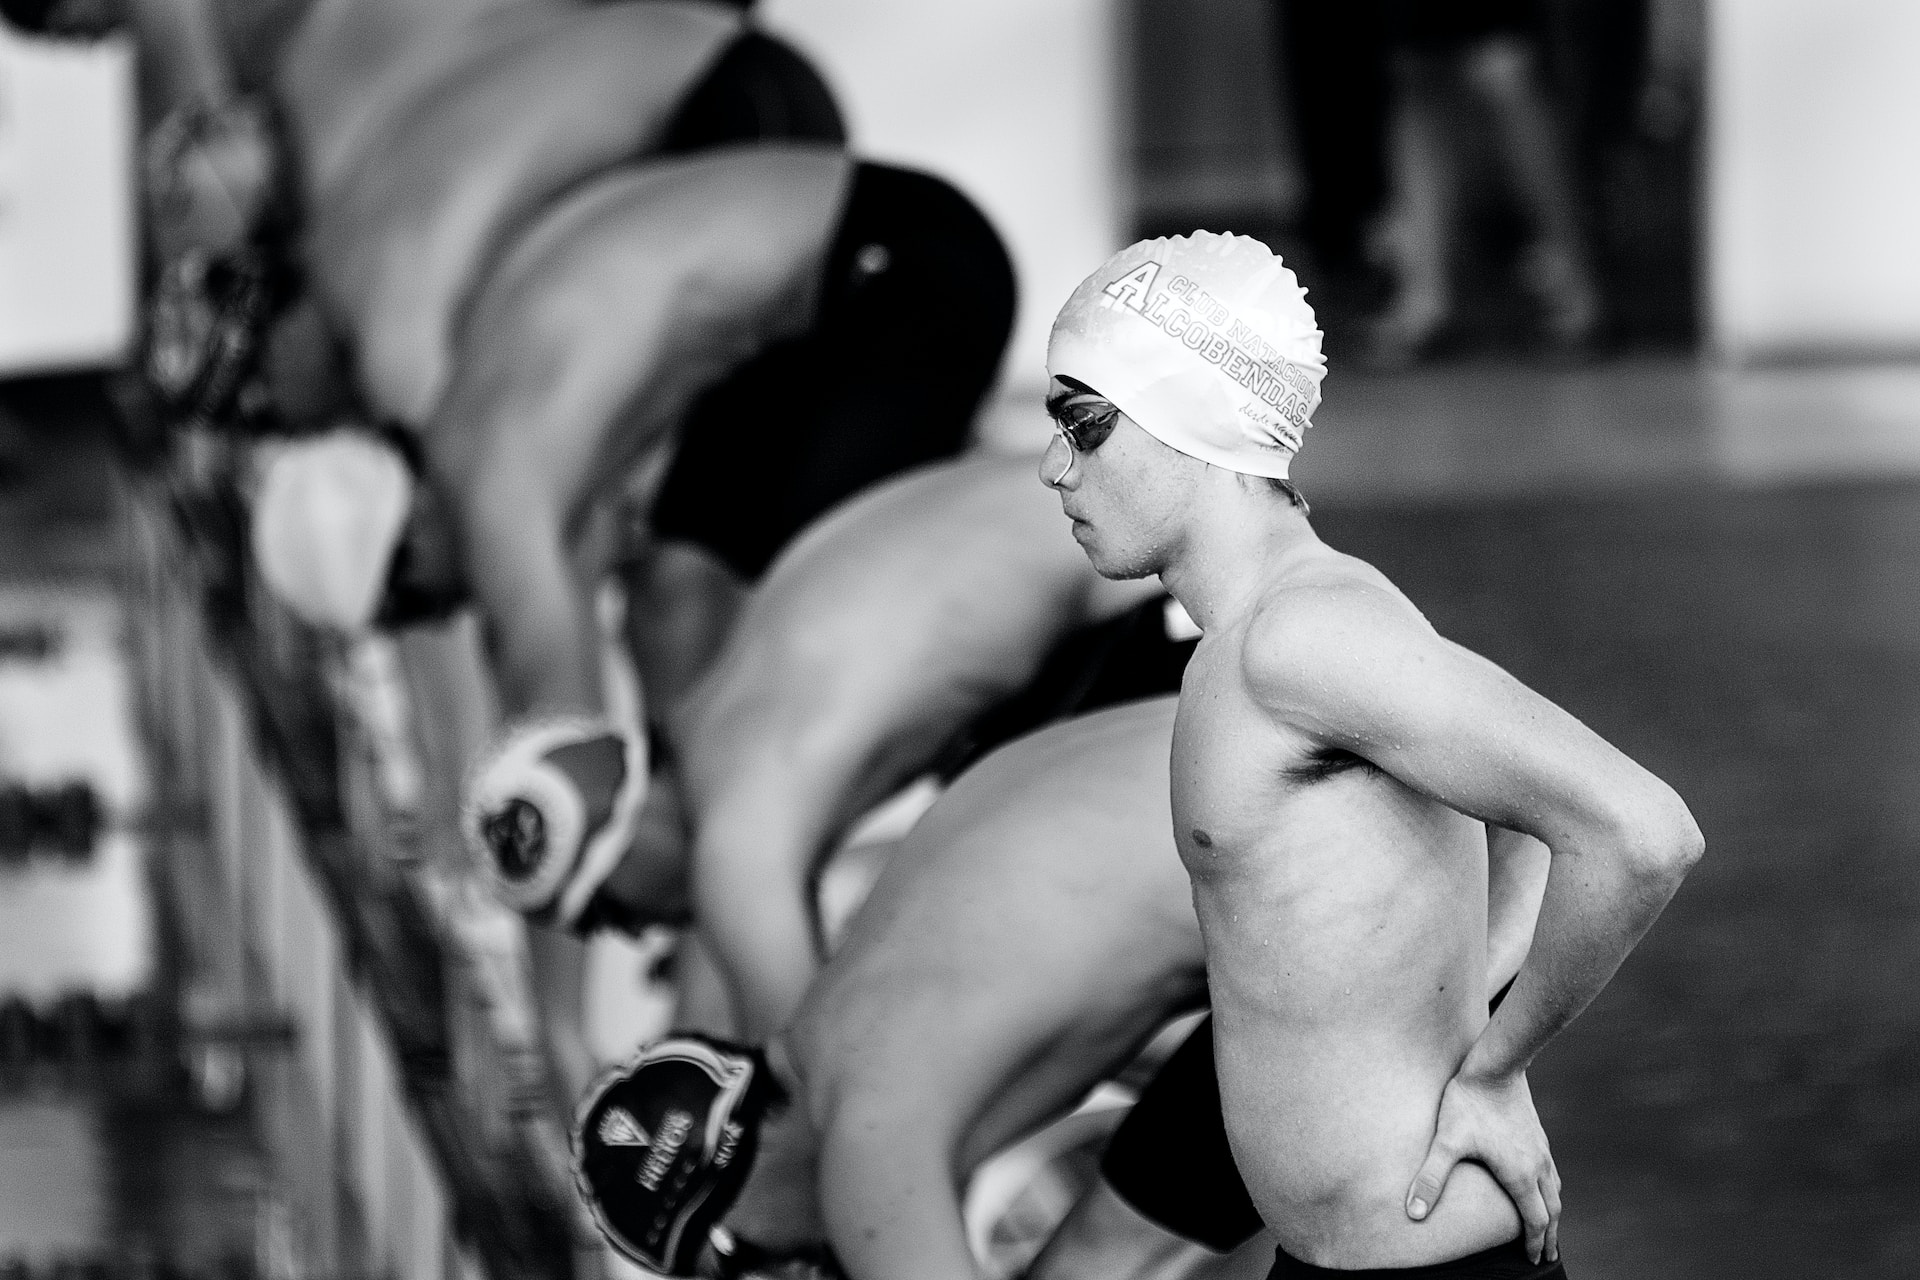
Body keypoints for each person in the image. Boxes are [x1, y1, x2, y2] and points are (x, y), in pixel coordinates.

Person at [1039, 232, 1702, 1276]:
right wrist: (1469, 1017)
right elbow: (1524, 829)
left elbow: (1641, 831)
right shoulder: (1276, 627)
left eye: (1086, 426)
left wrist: (1495, 1064)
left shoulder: (1302, 636)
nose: (1054, 465)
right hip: (1338, 1257)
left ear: (1192, 418)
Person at [572, 697, 1554, 1280]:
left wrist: (1484, 1055)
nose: (785, 1265)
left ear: (735, 1185)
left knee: (1090, 1264)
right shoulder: (853, 1005)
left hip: (1348, 897)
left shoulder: (865, 1137)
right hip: (1412, 803)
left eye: (739, 1255)